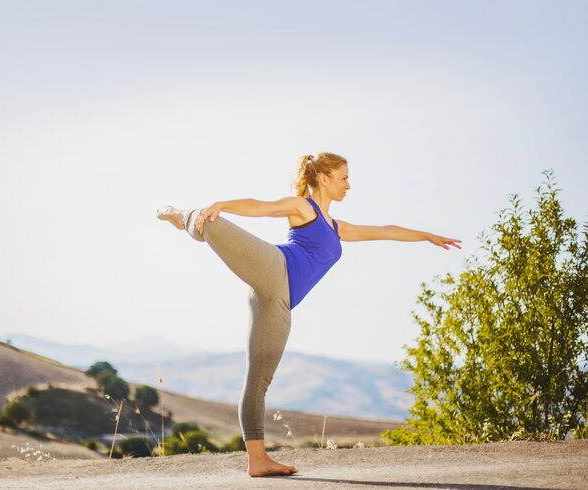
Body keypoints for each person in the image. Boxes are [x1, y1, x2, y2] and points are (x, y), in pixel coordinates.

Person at [156, 152, 461, 477]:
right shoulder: (304, 208)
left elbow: (385, 230)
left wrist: (427, 235)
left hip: (280, 301)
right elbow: (261, 206)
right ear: (324, 178)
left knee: (258, 381)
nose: (349, 185)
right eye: (344, 177)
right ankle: (181, 216)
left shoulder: (337, 227)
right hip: (275, 268)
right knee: (212, 221)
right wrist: (222, 203)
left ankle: (258, 462)